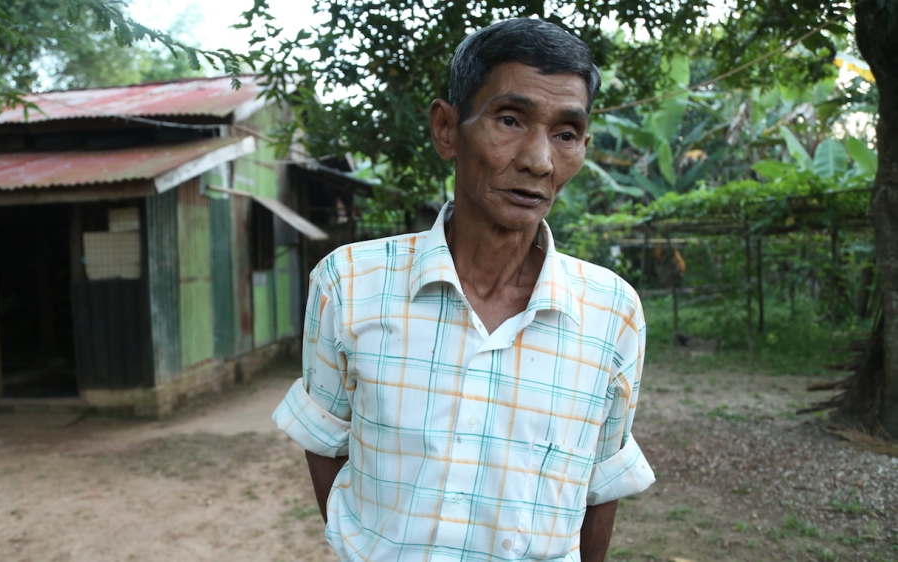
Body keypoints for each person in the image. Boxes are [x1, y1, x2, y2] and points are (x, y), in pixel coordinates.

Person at [273, 18, 655, 562]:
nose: (539, 160)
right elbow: (325, 441)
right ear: (447, 129)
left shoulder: (612, 311)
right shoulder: (349, 284)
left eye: (565, 133)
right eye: (509, 119)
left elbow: (598, 485)